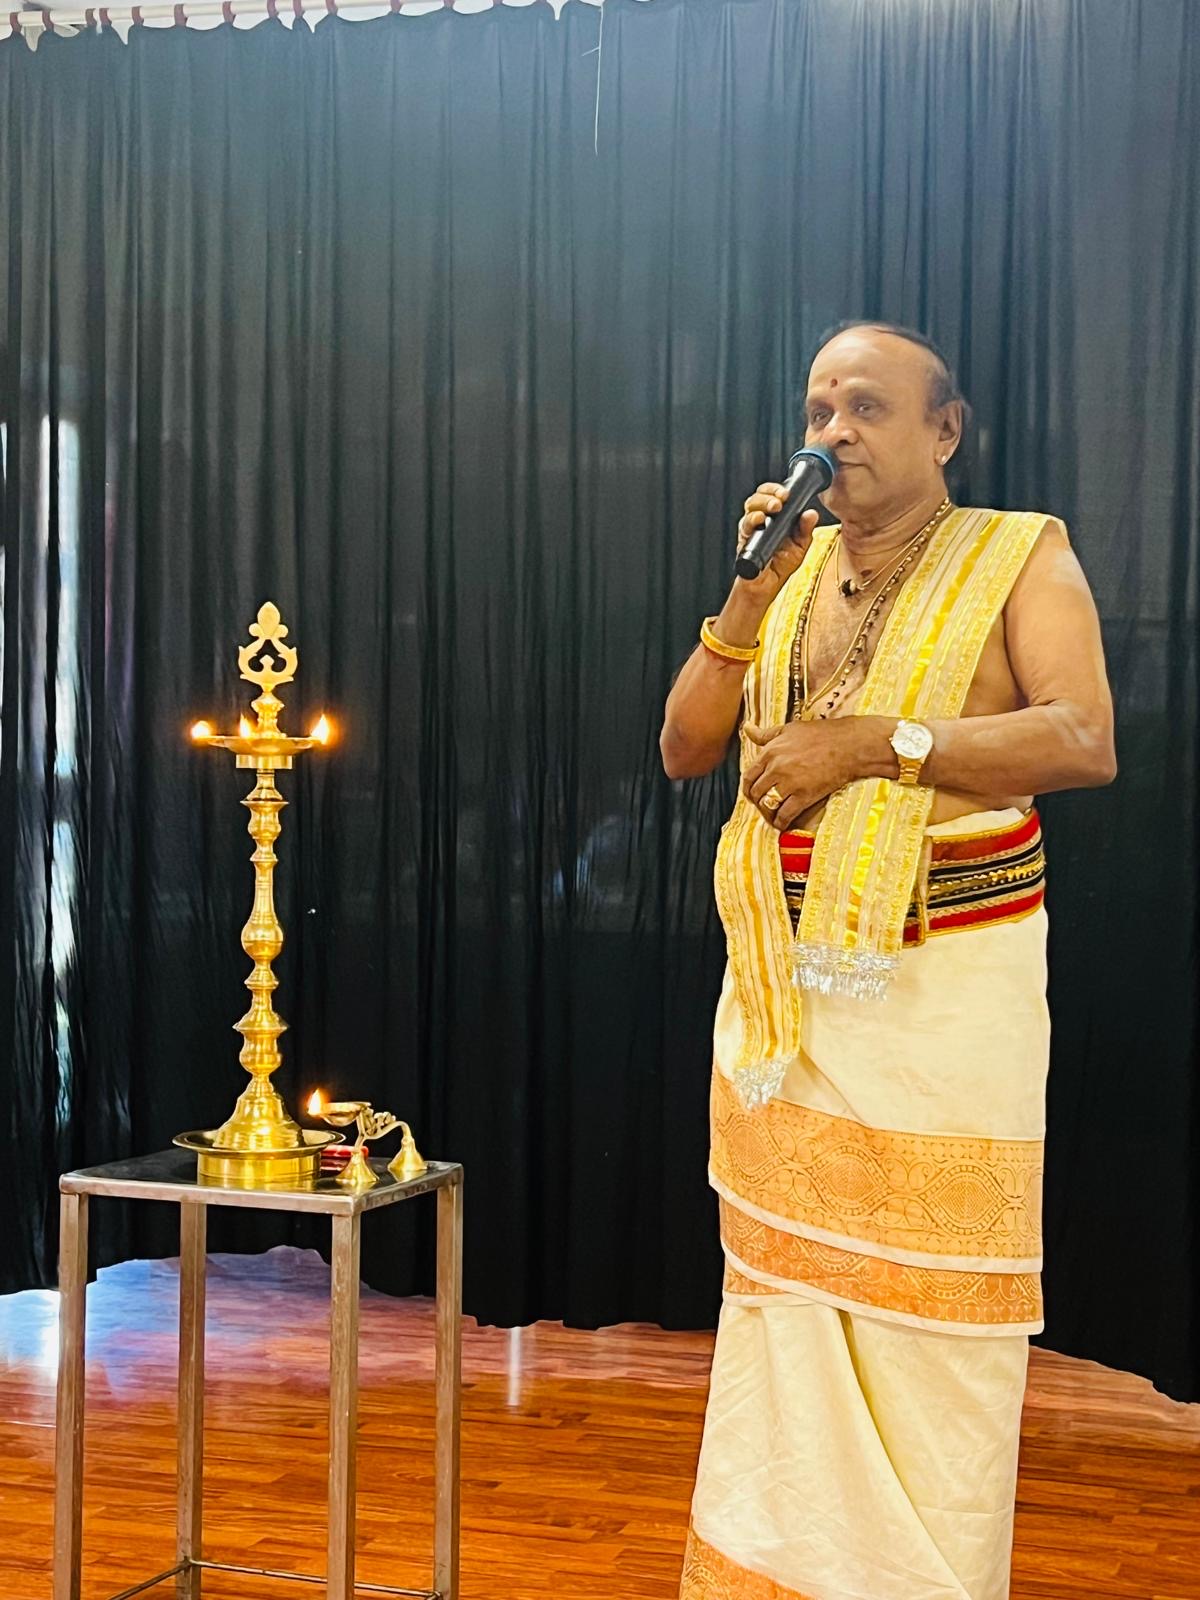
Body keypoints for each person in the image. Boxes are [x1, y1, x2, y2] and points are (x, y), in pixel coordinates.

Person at [660, 323, 1116, 1600]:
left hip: (942, 1013)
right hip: (786, 1014)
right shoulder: (792, 571)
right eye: (819, 407)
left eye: (865, 406)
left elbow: (1083, 737)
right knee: (784, 1320)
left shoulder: (1022, 552)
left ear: (944, 431)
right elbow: (684, 747)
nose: (833, 431)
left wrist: (875, 744)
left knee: (931, 1342)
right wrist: (748, 598)